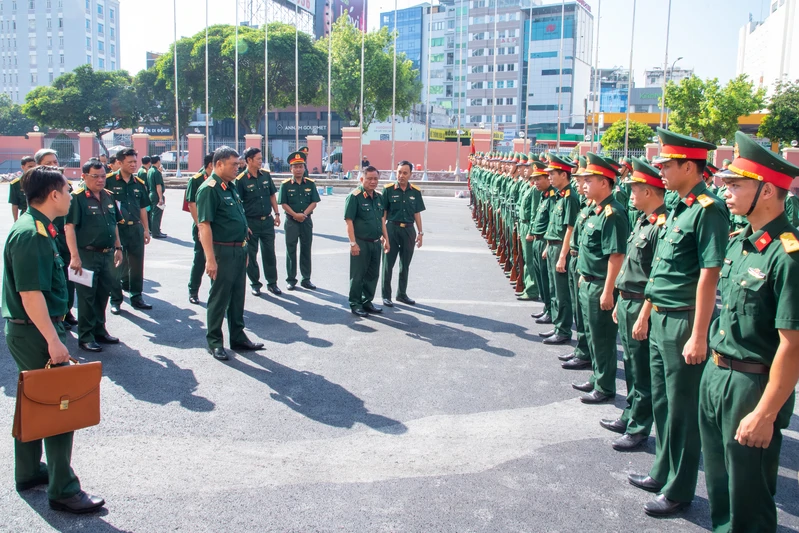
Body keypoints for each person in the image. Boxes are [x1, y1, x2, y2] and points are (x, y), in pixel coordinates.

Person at [699, 131, 799, 533]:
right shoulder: (741, 242)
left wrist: (765, 413)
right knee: (720, 485)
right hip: (717, 372)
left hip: (752, 385)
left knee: (749, 495)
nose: (726, 192)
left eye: (736, 185)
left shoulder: (787, 256)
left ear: (769, 191)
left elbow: (792, 345)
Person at [627, 128, 729, 517]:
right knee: (663, 402)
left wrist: (699, 335)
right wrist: (647, 311)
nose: (662, 172)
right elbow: (661, 271)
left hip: (684, 322)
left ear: (689, 167)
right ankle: (662, 471)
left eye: (668, 165)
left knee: (683, 410)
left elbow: (709, 274)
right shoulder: (679, 207)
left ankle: (680, 488)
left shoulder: (708, 209)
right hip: (661, 317)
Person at [2, 166, 105, 513]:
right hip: (37, 330)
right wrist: (53, 340)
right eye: (67, 189)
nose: (71, 196)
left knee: (34, 401)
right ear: (53, 194)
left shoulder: (39, 226)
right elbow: (31, 295)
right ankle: (63, 489)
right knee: (60, 407)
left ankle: (29, 471)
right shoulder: (32, 234)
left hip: (32, 328)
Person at [603, 157, 666, 451]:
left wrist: (644, 313)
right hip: (628, 301)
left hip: (643, 304)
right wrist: (619, 298)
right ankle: (630, 414)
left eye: (635, 189)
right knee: (630, 365)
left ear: (649, 191)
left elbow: (656, 276)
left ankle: (639, 427)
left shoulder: (660, 226)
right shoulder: (643, 220)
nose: (630, 193)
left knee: (642, 371)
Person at [196, 146, 265, 361]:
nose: (238, 168)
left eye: (238, 164)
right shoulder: (209, 189)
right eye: (234, 164)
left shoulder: (230, 186)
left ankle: (238, 336)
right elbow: (204, 225)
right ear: (219, 164)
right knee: (219, 298)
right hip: (222, 251)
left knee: (237, 297)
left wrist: (244, 245)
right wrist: (210, 259)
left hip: (238, 249)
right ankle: (215, 341)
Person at [572, 153, 629, 404]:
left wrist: (608, 291)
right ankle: (597, 377)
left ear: (604, 182)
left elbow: (616, 256)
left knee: (603, 338)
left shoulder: (612, 213)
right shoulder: (595, 211)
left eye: (589, 180)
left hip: (601, 284)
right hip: (589, 280)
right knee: (592, 334)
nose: (583, 185)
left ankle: (605, 386)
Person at [64, 160, 123, 353]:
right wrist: (74, 256)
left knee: (102, 294)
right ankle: (86, 336)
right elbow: (69, 228)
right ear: (84, 177)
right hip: (86, 255)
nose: (100, 180)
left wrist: (118, 247)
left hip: (107, 254)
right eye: (95, 176)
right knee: (86, 297)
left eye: (103, 176)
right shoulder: (77, 198)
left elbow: (114, 224)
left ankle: (99, 330)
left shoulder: (109, 196)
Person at [34, 149, 78, 330]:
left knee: (68, 278)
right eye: (48, 163)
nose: (53, 166)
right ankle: (55, 315)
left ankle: (67, 310)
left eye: (55, 162)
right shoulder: (36, 187)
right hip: (46, 235)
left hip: (64, 237)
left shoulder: (65, 185)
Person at [108, 148, 152, 314]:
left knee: (136, 264)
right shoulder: (109, 181)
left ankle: (136, 296)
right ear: (119, 163)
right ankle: (115, 300)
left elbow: (143, 208)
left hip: (135, 228)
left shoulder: (139, 183)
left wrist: (146, 229)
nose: (134, 165)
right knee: (116, 264)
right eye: (130, 162)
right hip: (117, 229)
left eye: (135, 162)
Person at [540, 154, 578, 345]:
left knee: (562, 293)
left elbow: (570, 228)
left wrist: (563, 256)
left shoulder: (570, 198)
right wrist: (548, 246)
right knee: (554, 290)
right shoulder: (560, 196)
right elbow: (554, 226)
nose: (549, 178)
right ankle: (557, 325)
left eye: (552, 174)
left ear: (563, 175)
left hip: (561, 248)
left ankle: (563, 330)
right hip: (553, 246)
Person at [236, 147, 282, 297]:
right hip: (251, 223)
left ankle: (272, 283)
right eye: (258, 159)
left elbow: (272, 196)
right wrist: (244, 224)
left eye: (261, 158)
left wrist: (277, 214)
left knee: (269, 253)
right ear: (249, 160)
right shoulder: (241, 180)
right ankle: (255, 284)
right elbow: (238, 204)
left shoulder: (266, 175)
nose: (261, 161)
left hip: (267, 221)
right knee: (251, 254)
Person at [345, 166, 390, 317]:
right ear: (362, 179)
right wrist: (353, 243)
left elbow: (382, 220)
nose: (373, 181)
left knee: (372, 275)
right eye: (369, 178)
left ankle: (367, 301)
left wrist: (386, 239)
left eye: (375, 179)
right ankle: (356, 304)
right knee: (358, 275)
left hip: (376, 242)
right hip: (361, 242)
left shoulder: (379, 197)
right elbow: (349, 222)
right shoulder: (354, 197)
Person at [381, 160, 425, 307]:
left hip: (409, 230)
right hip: (392, 229)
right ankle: (386, 295)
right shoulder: (388, 190)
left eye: (405, 173)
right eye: (399, 172)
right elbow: (383, 214)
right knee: (388, 264)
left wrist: (420, 233)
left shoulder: (415, 192)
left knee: (405, 264)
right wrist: (383, 234)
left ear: (410, 174)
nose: (401, 175)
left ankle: (402, 294)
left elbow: (417, 213)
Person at [278, 151, 321, 290]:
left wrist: (303, 214)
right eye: (295, 167)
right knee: (291, 250)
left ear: (304, 168)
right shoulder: (285, 185)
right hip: (291, 222)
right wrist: (295, 215)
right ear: (291, 169)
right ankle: (291, 279)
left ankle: (306, 279)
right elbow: (283, 203)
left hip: (306, 221)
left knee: (306, 249)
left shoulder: (310, 184)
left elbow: (314, 202)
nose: (298, 169)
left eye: (300, 166)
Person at [528, 159, 556, 323]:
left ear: (547, 179)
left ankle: (551, 311)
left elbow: (552, 223)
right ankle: (546, 307)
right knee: (540, 278)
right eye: (534, 179)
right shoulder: (544, 196)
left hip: (545, 242)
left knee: (547, 281)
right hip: (537, 240)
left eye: (539, 179)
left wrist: (547, 245)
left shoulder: (552, 197)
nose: (536, 182)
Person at [186, 154, 213, 304]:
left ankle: (215, 294)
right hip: (202, 225)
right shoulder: (196, 180)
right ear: (211, 165)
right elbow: (191, 204)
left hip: (216, 226)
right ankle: (193, 291)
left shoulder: (221, 180)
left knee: (217, 260)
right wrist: (199, 226)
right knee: (200, 260)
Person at [9, 156, 36, 221]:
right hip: (25, 215)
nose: (33, 169)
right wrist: (15, 220)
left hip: (40, 215)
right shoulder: (16, 184)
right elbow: (14, 204)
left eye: (34, 166)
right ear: (23, 167)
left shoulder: (41, 181)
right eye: (30, 166)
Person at [146, 155, 167, 239]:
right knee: (157, 214)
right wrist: (160, 198)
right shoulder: (156, 172)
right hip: (156, 195)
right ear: (158, 161)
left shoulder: (150, 170)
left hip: (152, 193)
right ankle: (156, 232)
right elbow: (158, 186)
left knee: (153, 213)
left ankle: (155, 230)